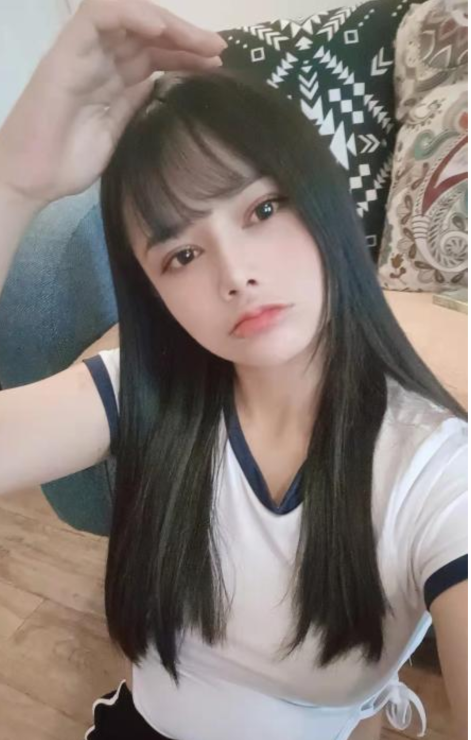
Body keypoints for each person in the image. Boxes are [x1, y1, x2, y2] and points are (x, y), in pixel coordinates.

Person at [0, 1, 467, 739]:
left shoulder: (436, 474)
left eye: (263, 209)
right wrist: (14, 181)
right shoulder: (138, 393)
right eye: (182, 254)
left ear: (323, 199)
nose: (234, 274)